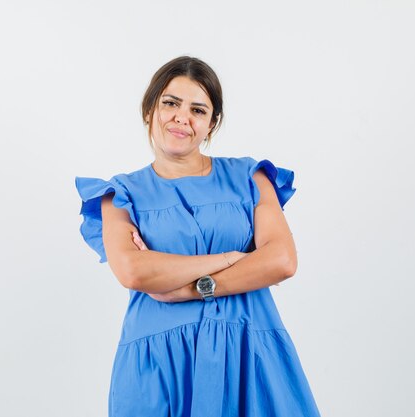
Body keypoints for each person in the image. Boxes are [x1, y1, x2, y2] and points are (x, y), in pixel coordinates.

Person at [75, 56, 321, 417]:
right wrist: (233, 259)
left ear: (211, 124)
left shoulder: (249, 177)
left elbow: (282, 259)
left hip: (247, 348)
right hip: (159, 363)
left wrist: (191, 287)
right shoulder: (120, 194)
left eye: (198, 110)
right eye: (170, 103)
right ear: (149, 110)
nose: (181, 118)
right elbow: (133, 272)